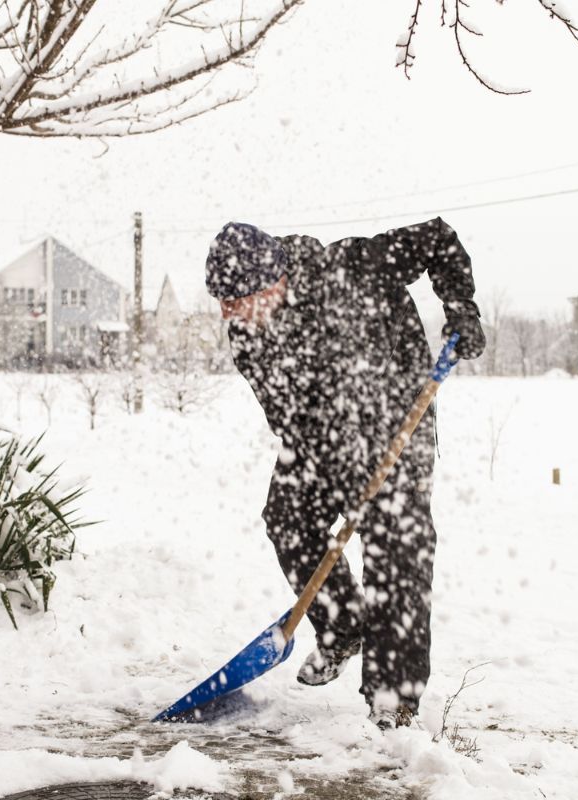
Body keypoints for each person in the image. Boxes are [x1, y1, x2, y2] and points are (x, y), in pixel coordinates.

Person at [204, 217, 485, 730]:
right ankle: (341, 625)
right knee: (288, 515)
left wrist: (461, 307)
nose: (227, 312)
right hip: (324, 439)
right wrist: (336, 471)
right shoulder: (247, 338)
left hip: (399, 421)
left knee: (395, 545)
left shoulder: (350, 266)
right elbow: (286, 417)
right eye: (221, 300)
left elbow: (438, 239)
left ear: (273, 281)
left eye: (235, 298)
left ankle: (393, 700)